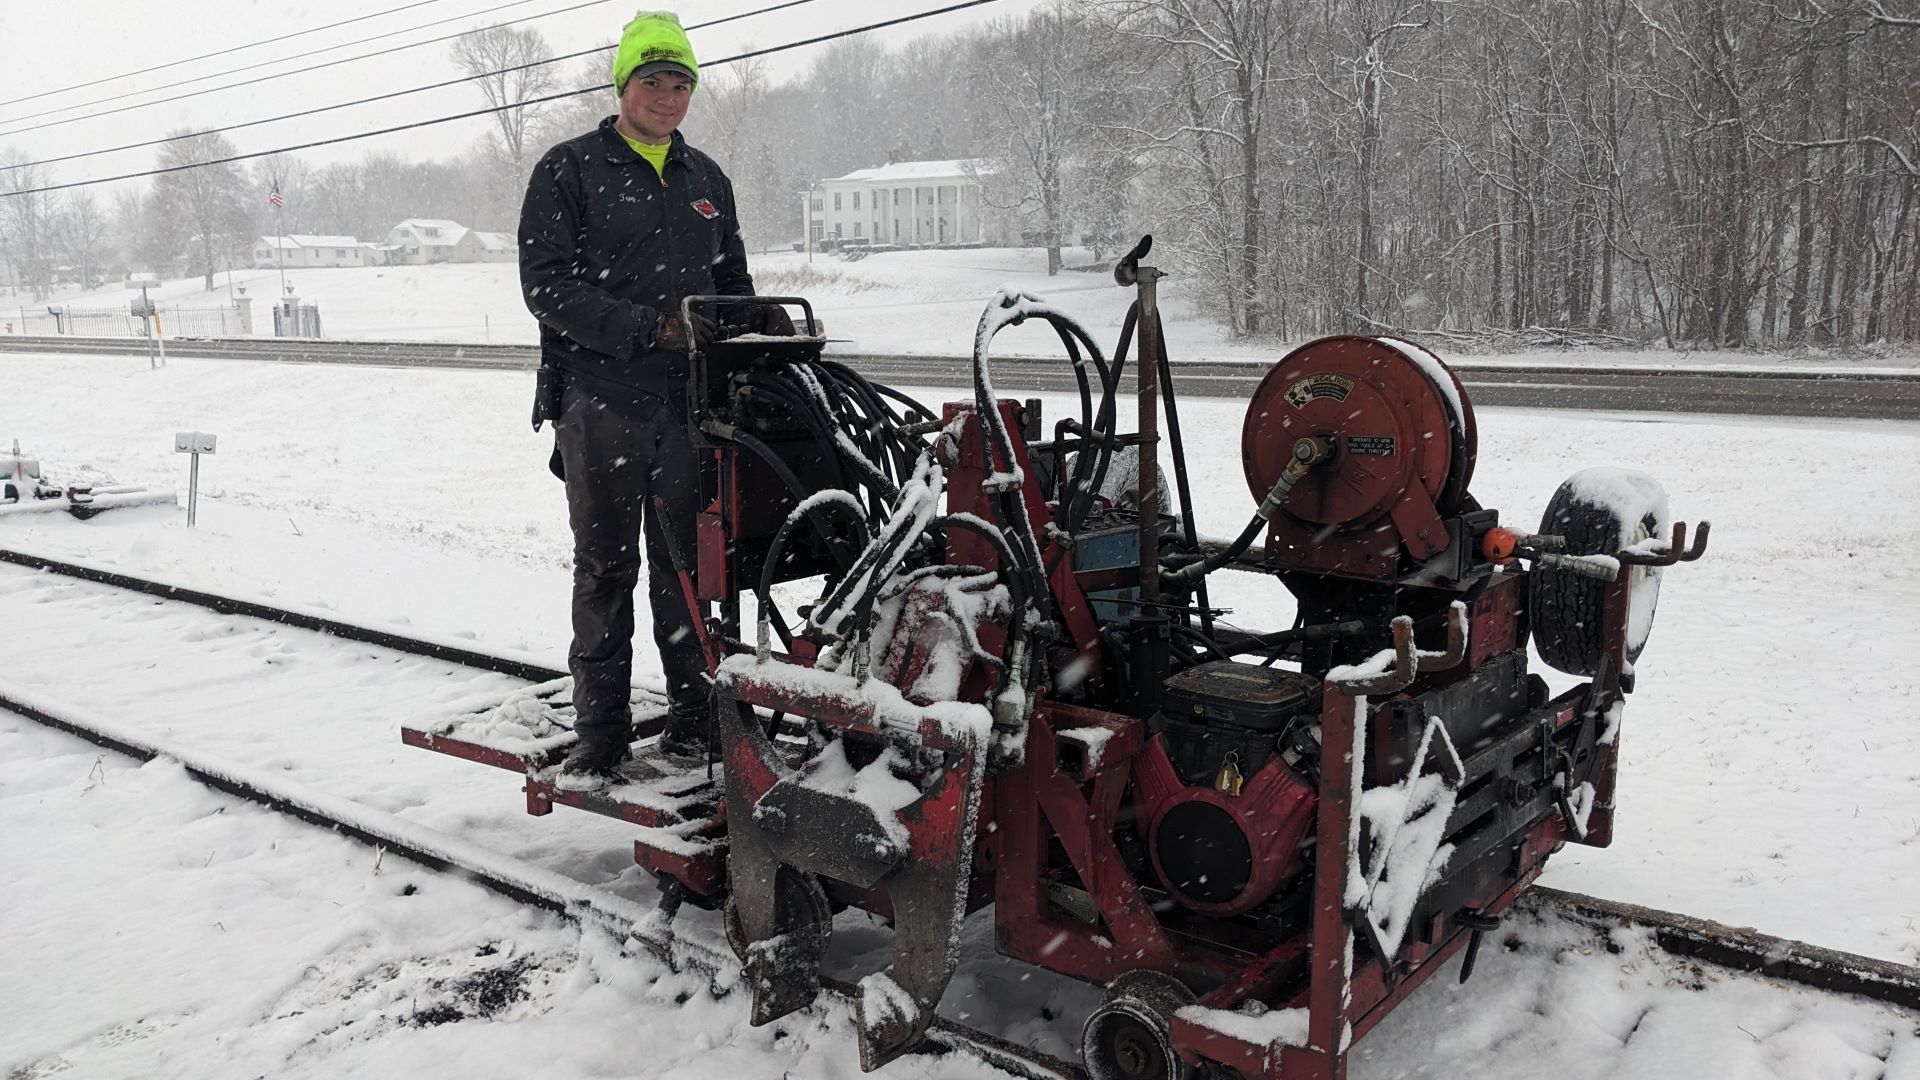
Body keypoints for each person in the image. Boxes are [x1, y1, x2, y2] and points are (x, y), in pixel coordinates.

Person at [518, 10, 782, 789]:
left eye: (680, 83)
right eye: (652, 81)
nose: (668, 97)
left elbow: (729, 282)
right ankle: (600, 737)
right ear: (623, 86)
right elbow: (546, 287)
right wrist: (646, 328)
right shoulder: (570, 170)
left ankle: (696, 722)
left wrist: (753, 318)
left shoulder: (706, 180)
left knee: (688, 571)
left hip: (689, 408)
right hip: (601, 403)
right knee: (606, 569)